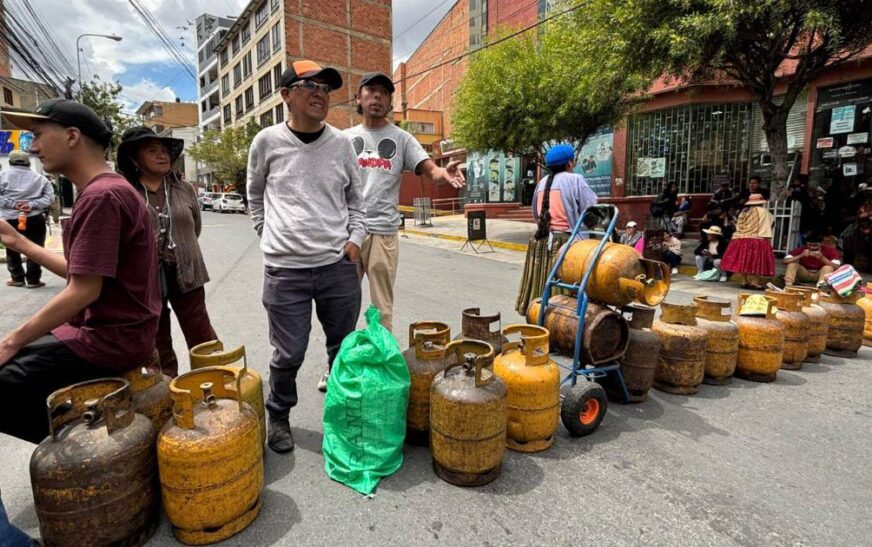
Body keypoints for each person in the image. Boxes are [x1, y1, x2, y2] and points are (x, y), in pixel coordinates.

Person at [0, 99, 160, 443]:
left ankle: (83, 454)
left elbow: (84, 291)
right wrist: (22, 244)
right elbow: (83, 273)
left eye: (38, 134)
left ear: (72, 136)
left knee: (7, 376)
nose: (34, 147)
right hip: (121, 332)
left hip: (109, 338)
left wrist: (10, 342)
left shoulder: (101, 196)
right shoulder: (110, 189)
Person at [247, 60, 366, 454]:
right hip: (286, 271)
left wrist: (355, 241)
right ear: (285, 95)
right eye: (308, 85)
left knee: (343, 347)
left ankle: (345, 414)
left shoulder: (342, 144)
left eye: (325, 88)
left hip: (337, 266)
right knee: (288, 353)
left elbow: (356, 203)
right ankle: (279, 415)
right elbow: (254, 195)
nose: (320, 93)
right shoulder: (266, 141)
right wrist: (269, 235)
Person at [343, 72, 464, 340]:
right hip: (347, 233)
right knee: (343, 305)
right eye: (371, 90)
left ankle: (382, 365)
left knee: (382, 307)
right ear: (358, 98)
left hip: (383, 233)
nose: (377, 96)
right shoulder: (343, 139)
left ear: (389, 102)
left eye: (384, 93)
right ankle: (337, 365)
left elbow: (430, 170)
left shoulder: (402, 139)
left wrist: (444, 173)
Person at [117, 126, 217, 377]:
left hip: (187, 269)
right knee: (157, 339)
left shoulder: (183, 188)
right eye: (152, 150)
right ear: (134, 158)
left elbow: (195, 227)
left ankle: (213, 382)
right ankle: (167, 392)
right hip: (145, 279)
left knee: (202, 334)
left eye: (164, 150)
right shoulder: (125, 192)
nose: (162, 155)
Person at [515, 144, 597, 316]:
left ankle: (537, 315)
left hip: (541, 241)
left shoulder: (541, 184)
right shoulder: (575, 180)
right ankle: (562, 319)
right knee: (569, 286)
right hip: (566, 243)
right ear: (570, 162)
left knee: (542, 283)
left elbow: (536, 215)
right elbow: (591, 210)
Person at [0, 150, 55, 289]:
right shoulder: (40, 178)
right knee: (35, 248)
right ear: (29, 163)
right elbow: (49, 198)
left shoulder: (2, 176)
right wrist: (30, 205)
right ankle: (33, 280)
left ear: (11, 162)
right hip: (34, 218)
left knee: (12, 248)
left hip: (9, 219)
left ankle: (17, 278)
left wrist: (13, 204)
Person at [720, 193, 775, 290]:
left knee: (743, 261)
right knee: (757, 262)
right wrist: (768, 240)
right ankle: (754, 282)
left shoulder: (743, 212)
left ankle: (744, 280)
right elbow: (769, 225)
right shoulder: (764, 212)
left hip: (741, 238)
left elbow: (738, 226)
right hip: (757, 239)